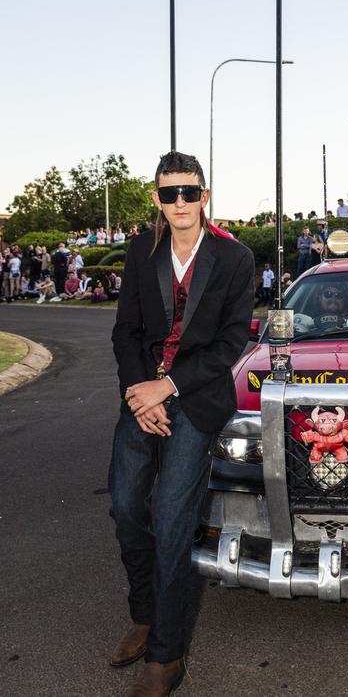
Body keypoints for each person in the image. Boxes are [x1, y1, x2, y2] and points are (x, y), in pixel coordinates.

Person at [109, 151, 254, 694]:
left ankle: (166, 656)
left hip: (194, 399)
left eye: (188, 192)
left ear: (204, 195)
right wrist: (141, 396)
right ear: (156, 198)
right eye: (169, 193)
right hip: (141, 396)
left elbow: (231, 343)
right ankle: (145, 614)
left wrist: (168, 388)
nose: (179, 203)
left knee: (171, 520)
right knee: (125, 508)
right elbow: (125, 332)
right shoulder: (140, 252)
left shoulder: (233, 258)